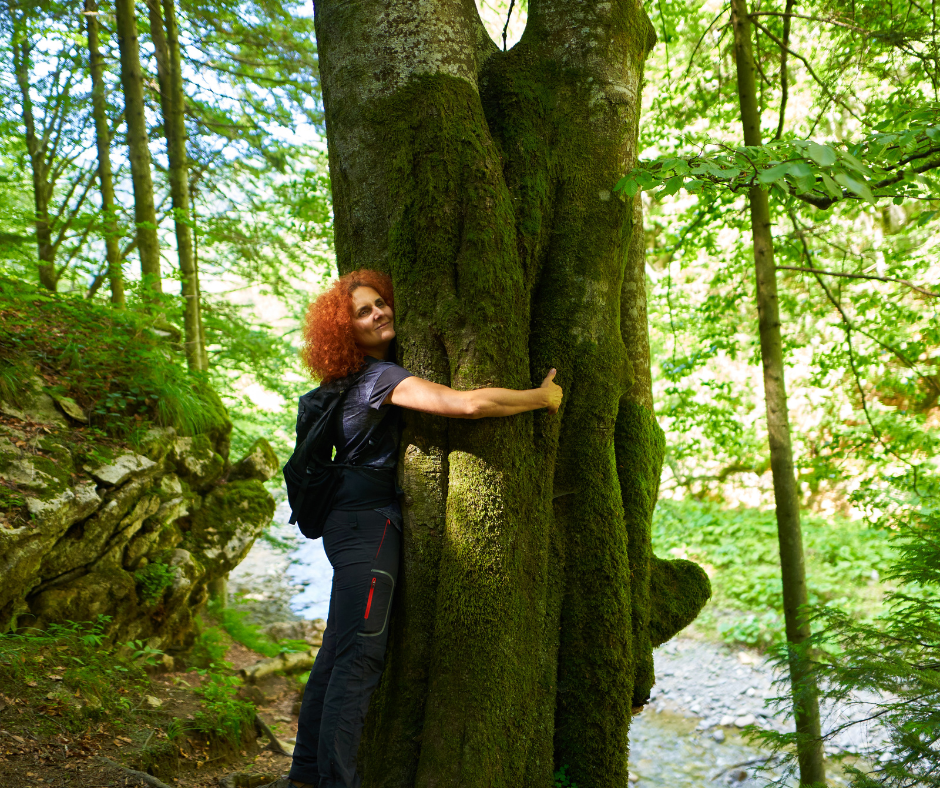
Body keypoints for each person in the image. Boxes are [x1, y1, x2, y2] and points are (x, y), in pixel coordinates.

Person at [286, 269, 562, 788]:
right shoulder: (378, 380)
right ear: (347, 332)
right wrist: (540, 399)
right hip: (367, 532)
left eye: (379, 304)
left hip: (344, 529)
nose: (378, 314)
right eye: (363, 313)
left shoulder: (340, 384)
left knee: (337, 649)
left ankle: (304, 774)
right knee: (360, 656)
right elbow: (468, 404)